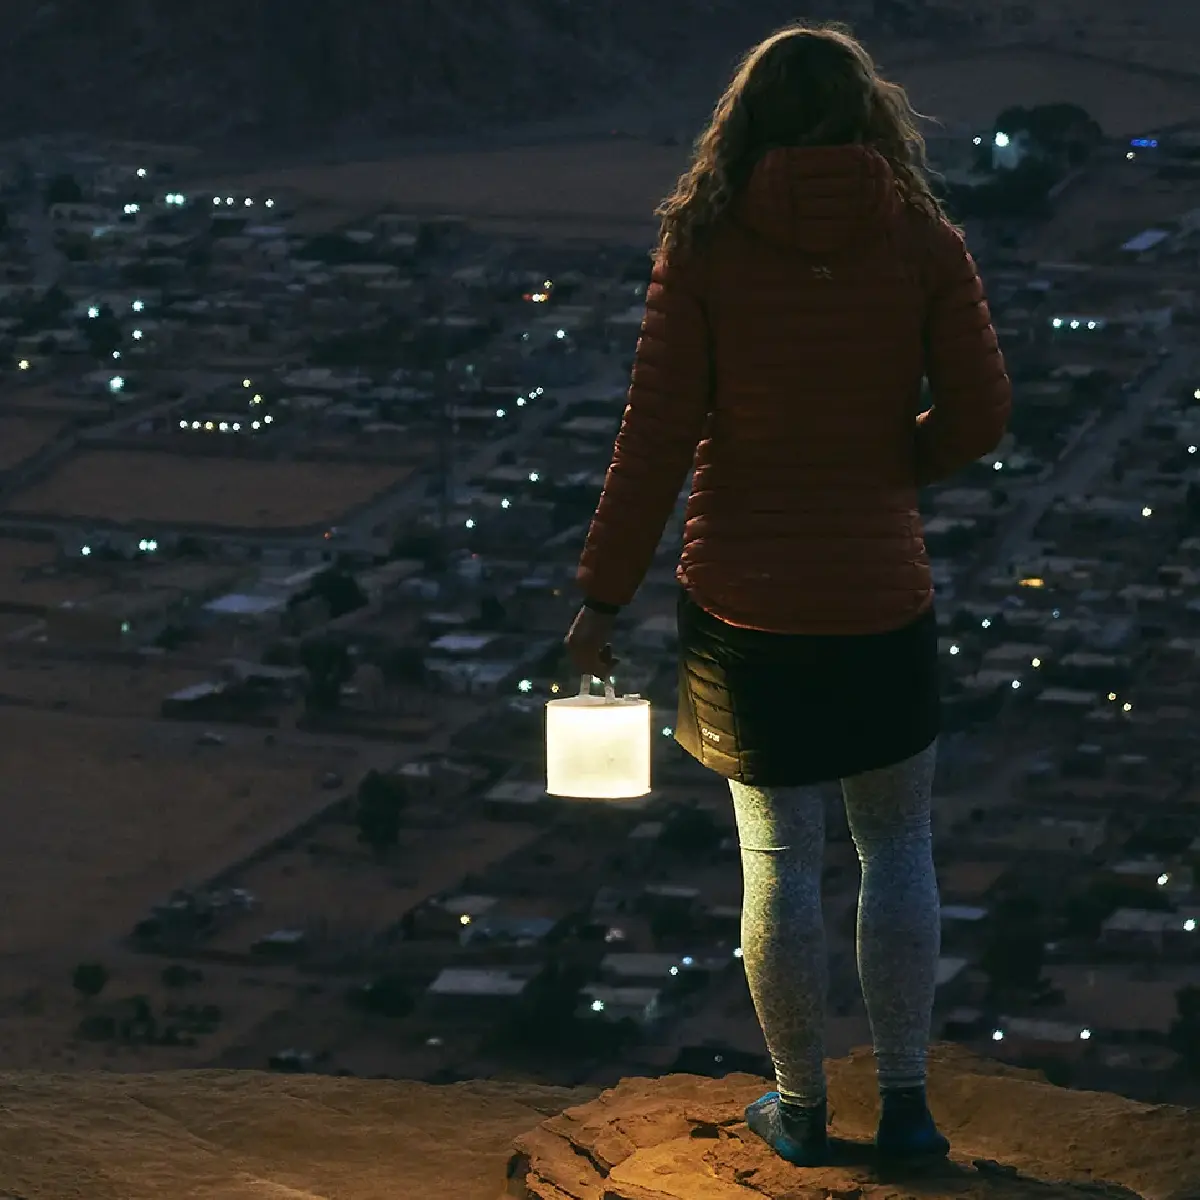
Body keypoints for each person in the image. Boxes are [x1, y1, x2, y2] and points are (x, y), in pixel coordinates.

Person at [564, 20, 1010, 1169]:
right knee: (897, 844)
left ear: (744, 122)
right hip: (880, 595)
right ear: (872, 116)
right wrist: (886, 470)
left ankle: (801, 1108)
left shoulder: (705, 247)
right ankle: (906, 1108)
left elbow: (654, 440)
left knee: (778, 864)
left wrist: (600, 598)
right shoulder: (923, 240)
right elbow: (983, 411)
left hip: (743, 607)